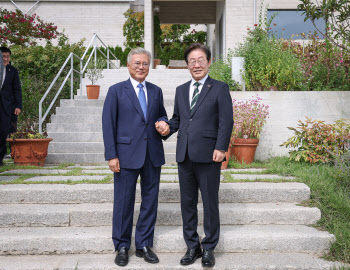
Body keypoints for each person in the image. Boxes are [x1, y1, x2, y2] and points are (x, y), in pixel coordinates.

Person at [156, 43, 233, 267]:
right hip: (185, 155)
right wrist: (166, 128)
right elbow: (179, 119)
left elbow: (226, 121)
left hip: (210, 155)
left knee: (210, 202)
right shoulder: (181, 90)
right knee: (187, 203)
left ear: (209, 63)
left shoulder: (219, 88)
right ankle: (192, 246)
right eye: (192, 61)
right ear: (187, 65)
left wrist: (221, 147)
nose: (196, 64)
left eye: (201, 60)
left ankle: (209, 248)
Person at [102, 47, 170, 267]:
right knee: (124, 202)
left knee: (150, 201)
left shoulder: (156, 90)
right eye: (137, 63)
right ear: (128, 65)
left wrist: (164, 124)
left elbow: (161, 115)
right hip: (125, 155)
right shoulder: (116, 91)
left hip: (152, 154)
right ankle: (122, 245)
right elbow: (108, 124)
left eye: (145, 64)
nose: (142, 67)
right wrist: (111, 155)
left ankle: (143, 245)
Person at [0, 47, 22, 166]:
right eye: (3, 56)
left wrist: (18, 106)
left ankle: (1, 157)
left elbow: (17, 89)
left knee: (4, 131)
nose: (6, 58)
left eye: (8, 56)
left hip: (7, 106)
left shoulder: (12, 71)